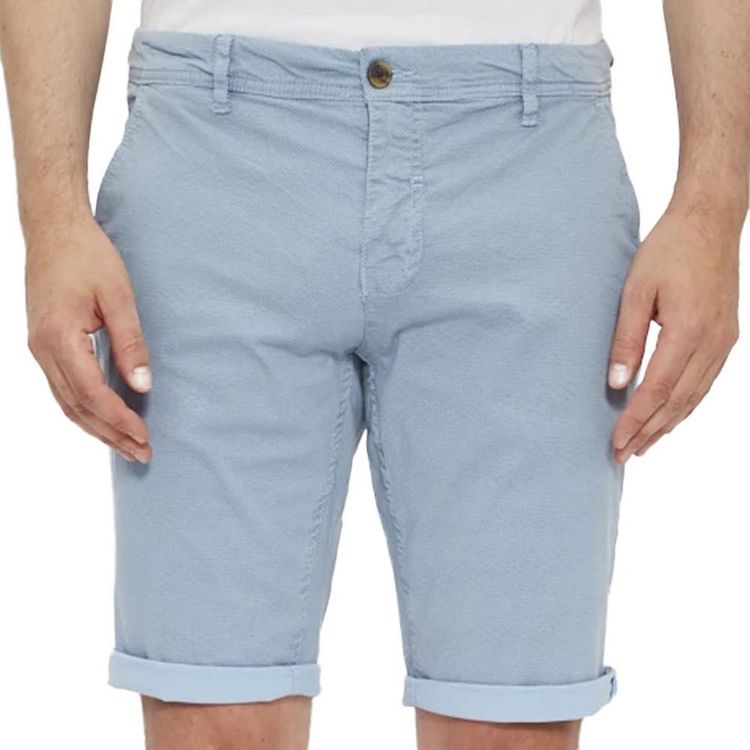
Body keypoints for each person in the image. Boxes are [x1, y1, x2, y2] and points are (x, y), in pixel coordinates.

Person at [1, 0, 747, 748]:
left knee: (511, 723)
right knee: (213, 716)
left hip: (529, 166)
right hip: (212, 162)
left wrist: (712, 209)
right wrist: (51, 217)